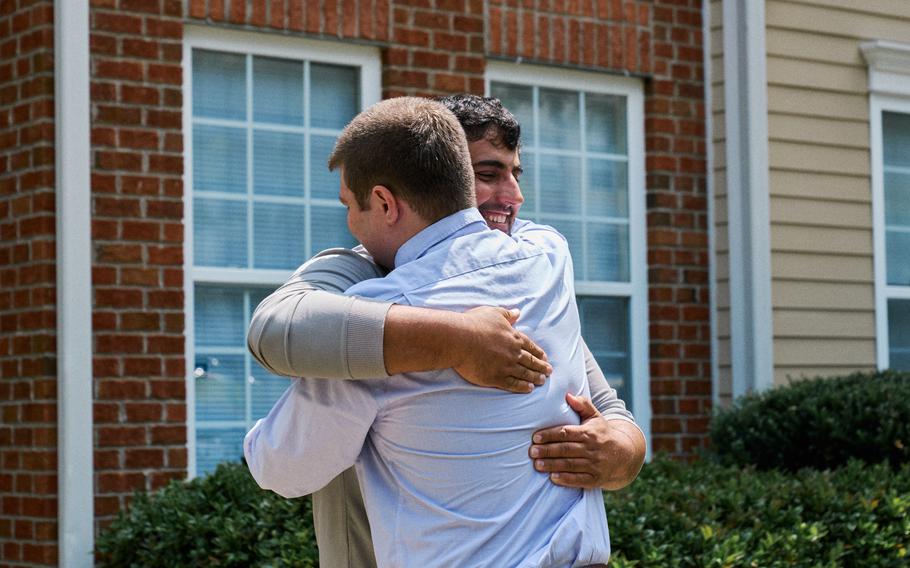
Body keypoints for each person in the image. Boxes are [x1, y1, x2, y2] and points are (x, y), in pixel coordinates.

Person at [247, 94, 646, 567]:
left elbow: (606, 406)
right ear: (444, 174)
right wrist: (457, 336)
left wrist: (624, 450)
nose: (513, 197)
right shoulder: (363, 281)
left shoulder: (540, 263)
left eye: (517, 174)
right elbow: (276, 328)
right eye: (487, 174)